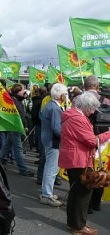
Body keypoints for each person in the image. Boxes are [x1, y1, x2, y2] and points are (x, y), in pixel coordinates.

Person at [59, 92, 110, 235]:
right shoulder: (78, 119)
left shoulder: (74, 116)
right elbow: (92, 141)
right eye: (93, 108)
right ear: (86, 106)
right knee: (83, 193)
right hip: (78, 160)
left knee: (76, 193)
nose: (93, 112)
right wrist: (108, 133)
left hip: (75, 158)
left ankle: (74, 223)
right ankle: (79, 226)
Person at [84, 75, 110, 214]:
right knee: (102, 170)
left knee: (89, 170)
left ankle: (87, 205)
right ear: (97, 86)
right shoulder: (105, 100)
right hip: (106, 140)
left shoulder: (81, 100)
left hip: (90, 137)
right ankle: (96, 203)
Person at [39, 83, 68, 207]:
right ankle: (47, 195)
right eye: (65, 94)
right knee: (52, 169)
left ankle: (46, 192)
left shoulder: (50, 105)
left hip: (47, 138)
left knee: (49, 167)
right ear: (61, 95)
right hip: (53, 140)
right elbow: (57, 129)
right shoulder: (55, 108)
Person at [0, 83, 34, 177]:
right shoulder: (15, 101)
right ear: (18, 92)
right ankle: (22, 168)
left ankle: (0, 159)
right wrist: (25, 125)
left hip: (13, 126)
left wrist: (24, 96)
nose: (24, 92)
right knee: (18, 148)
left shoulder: (15, 99)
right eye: (23, 90)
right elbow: (21, 114)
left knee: (8, 144)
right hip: (16, 126)